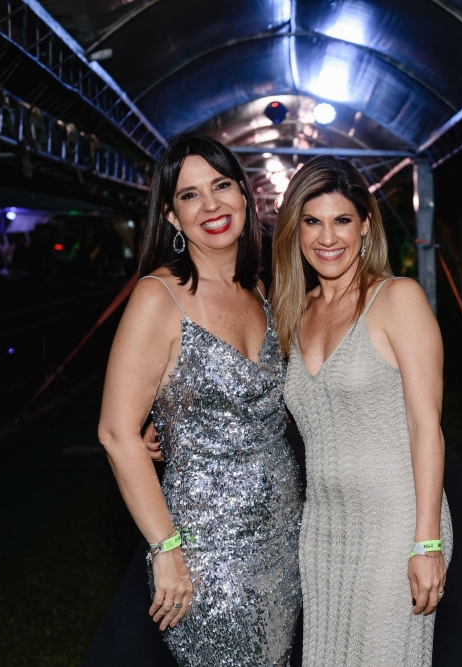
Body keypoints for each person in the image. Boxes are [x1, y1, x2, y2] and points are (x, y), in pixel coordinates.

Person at [98, 134, 302, 667]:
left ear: (244, 196)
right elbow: (116, 433)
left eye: (221, 185)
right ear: (171, 216)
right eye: (190, 195)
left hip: (284, 538)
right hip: (204, 551)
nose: (211, 205)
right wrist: (164, 548)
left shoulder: (261, 292)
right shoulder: (157, 296)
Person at [271, 156, 453, 667]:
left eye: (342, 220)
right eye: (312, 221)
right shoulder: (294, 313)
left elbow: (426, 425)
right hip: (323, 527)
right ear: (295, 230)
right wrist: (170, 423)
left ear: (366, 225)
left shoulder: (397, 299)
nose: (328, 237)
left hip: (398, 521)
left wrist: (427, 543)